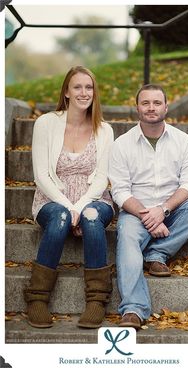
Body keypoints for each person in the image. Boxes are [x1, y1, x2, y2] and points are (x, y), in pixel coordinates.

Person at [108, 84, 188, 330]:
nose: (151, 108)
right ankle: (134, 308)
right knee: (126, 234)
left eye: (157, 103)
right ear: (137, 108)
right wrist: (148, 216)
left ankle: (157, 252)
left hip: (173, 210)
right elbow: (120, 190)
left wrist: (164, 210)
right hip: (137, 213)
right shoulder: (122, 144)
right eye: (145, 103)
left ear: (166, 107)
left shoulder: (183, 140)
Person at [24, 66, 114, 329]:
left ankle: (97, 299)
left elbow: (102, 177)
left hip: (93, 198)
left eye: (89, 87)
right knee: (61, 217)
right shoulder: (46, 123)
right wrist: (68, 206)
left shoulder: (104, 130)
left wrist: (81, 205)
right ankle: (37, 298)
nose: (84, 92)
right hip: (52, 199)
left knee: (92, 215)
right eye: (77, 87)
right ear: (66, 91)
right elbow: (41, 175)